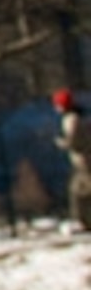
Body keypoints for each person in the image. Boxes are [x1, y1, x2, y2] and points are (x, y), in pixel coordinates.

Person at [58, 88, 91, 231]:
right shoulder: (82, 115)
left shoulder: (71, 119)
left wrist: (62, 143)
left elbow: (74, 141)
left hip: (83, 161)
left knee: (79, 192)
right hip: (84, 160)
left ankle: (83, 221)